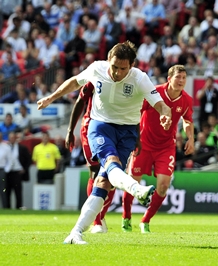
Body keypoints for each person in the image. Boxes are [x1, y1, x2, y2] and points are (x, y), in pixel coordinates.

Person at [37, 41, 172, 244]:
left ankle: (76, 233)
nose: (117, 72)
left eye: (123, 68)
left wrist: (165, 115)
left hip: (127, 132)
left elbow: (160, 104)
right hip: (100, 126)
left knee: (104, 183)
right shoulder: (97, 68)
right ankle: (137, 189)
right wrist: (51, 97)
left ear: (132, 66)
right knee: (111, 163)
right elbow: (75, 82)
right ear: (109, 60)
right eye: (114, 66)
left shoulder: (140, 79)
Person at [121, 65, 194, 233]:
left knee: (163, 186)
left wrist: (191, 138)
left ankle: (145, 221)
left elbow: (188, 120)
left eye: (184, 77)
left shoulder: (186, 100)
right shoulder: (154, 93)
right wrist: (134, 135)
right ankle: (126, 217)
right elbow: (137, 111)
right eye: (178, 77)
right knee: (133, 182)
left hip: (166, 147)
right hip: (144, 144)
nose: (181, 81)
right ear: (169, 79)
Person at [65, 82, 116, 234]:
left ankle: (100, 216)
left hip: (115, 129)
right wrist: (70, 130)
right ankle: (97, 221)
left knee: (112, 175)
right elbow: (80, 101)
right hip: (91, 128)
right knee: (95, 172)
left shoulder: (129, 81)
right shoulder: (95, 78)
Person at [5, 132, 31, 209]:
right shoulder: (5, 148)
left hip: (17, 172)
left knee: (18, 191)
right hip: (8, 172)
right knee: (7, 191)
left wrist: (24, 169)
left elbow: (28, 160)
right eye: (10, 138)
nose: (12, 139)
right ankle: (7, 207)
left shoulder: (22, 148)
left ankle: (18, 207)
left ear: (15, 138)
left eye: (13, 138)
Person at [0, 132, 12, 208]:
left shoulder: (6, 147)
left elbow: (10, 160)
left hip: (2, 170)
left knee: (3, 190)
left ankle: (5, 207)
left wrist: (6, 170)